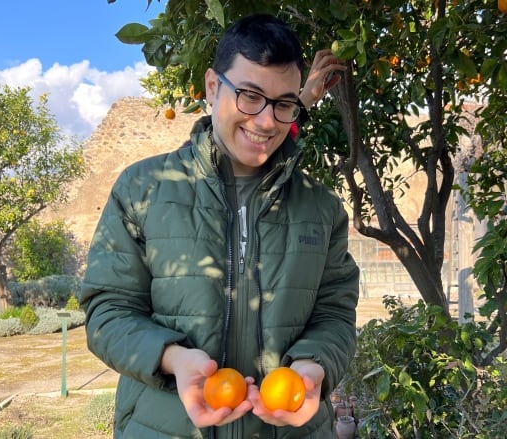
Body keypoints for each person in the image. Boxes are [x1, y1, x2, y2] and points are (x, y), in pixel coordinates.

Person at [79, 12, 359, 439]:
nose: (265, 121)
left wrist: (314, 364)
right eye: (248, 95)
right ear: (213, 87)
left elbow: (335, 313)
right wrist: (173, 358)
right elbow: (107, 311)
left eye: (284, 103)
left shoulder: (321, 208)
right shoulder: (143, 189)